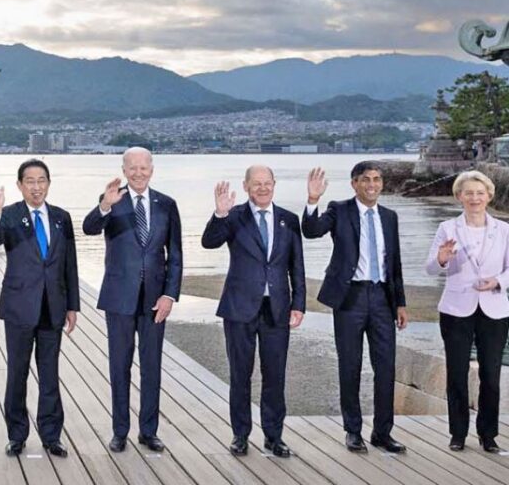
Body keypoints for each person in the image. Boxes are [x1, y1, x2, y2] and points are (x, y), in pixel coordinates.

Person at [303, 162, 408, 453]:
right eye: (366, 180)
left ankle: (382, 433)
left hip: (382, 300)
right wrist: (313, 200)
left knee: (386, 368)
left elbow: (394, 264)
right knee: (350, 365)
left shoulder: (390, 217)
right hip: (349, 298)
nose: (372, 184)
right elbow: (311, 231)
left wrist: (400, 303)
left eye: (376, 179)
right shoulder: (339, 210)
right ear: (354, 184)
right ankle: (353, 431)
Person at [82, 147, 181, 453]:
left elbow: (175, 255)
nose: (138, 173)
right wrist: (104, 205)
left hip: (155, 300)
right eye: (132, 168)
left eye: (144, 168)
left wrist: (169, 294)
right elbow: (88, 228)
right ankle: (120, 431)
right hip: (119, 298)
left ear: (152, 169)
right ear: (124, 170)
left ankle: (148, 431)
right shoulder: (113, 199)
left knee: (151, 366)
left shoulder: (166, 204)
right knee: (119, 366)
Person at [201, 165, 304, 458]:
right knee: (240, 375)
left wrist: (299, 304)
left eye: (267, 183)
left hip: (277, 309)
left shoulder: (288, 220)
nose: (262, 188)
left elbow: (296, 266)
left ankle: (274, 436)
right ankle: (240, 435)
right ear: (246, 186)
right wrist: (219, 213)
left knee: (275, 376)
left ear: (274, 184)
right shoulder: (233, 216)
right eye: (256, 183)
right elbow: (209, 242)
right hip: (239, 308)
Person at [0, 158, 79, 458]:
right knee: (17, 373)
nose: (36, 187)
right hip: (19, 308)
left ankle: (52, 436)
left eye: (41, 181)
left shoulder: (62, 217)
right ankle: (16, 435)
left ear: (48, 184)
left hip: (53, 307)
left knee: (50, 373)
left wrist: (72, 306)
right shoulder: (10, 214)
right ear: (20, 185)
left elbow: (69, 265)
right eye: (30, 181)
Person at [425, 170, 509, 452]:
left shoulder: (504, 229)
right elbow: (430, 268)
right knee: (457, 373)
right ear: (459, 196)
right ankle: (457, 434)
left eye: (480, 193)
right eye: (469, 193)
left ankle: (488, 436)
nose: (475, 198)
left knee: (491, 374)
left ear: (489, 196)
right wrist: (442, 258)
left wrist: (498, 281)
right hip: (456, 308)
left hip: (494, 308)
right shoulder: (448, 228)